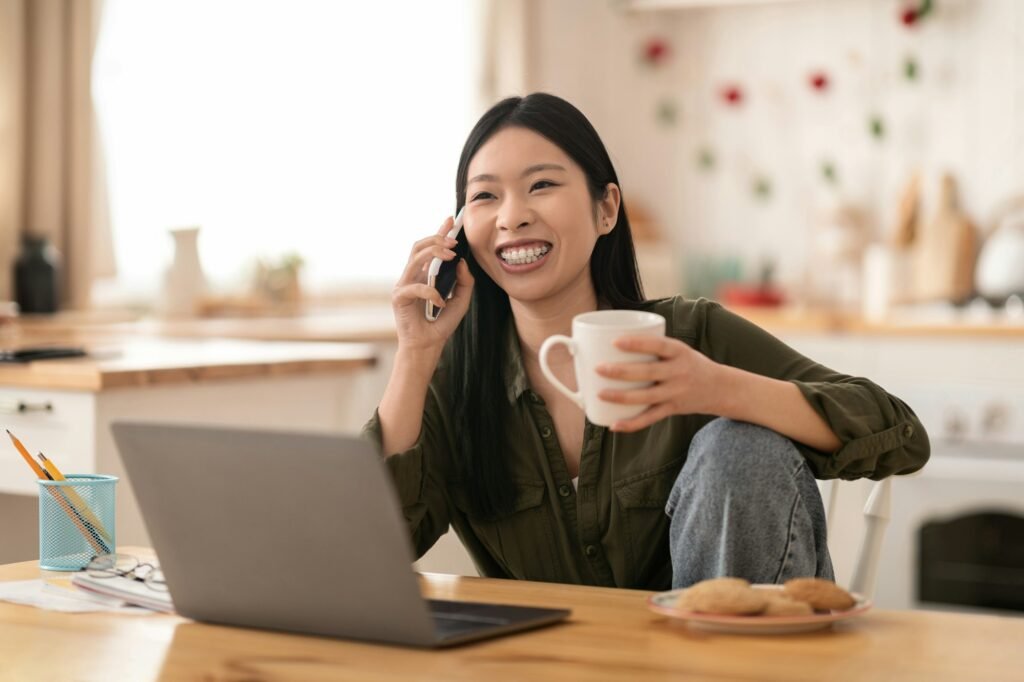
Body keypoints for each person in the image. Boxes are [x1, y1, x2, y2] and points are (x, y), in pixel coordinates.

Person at [363, 93, 929, 591]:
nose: (512, 217)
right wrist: (414, 354)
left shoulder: (691, 335)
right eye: (485, 197)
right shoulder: (458, 378)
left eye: (541, 185)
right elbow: (371, 546)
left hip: (730, 660)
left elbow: (899, 433)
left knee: (740, 449)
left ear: (606, 208)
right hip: (559, 667)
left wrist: (717, 388)